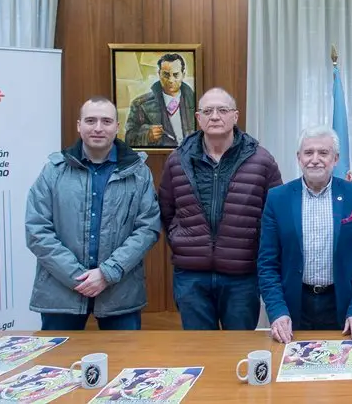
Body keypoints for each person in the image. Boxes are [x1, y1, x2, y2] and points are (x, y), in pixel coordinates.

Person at [25, 97, 161, 330]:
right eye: (91, 120)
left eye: (106, 121)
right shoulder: (53, 171)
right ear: (79, 125)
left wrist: (107, 273)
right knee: (58, 364)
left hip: (120, 291)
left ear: (117, 127)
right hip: (61, 291)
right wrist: (77, 277)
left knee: (124, 362)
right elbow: (37, 230)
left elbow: (147, 228)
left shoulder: (138, 172)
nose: (98, 128)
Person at [159, 87, 283, 330]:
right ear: (198, 118)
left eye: (222, 110)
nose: (215, 116)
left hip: (242, 276)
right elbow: (166, 210)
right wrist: (179, 239)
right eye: (208, 111)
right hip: (191, 276)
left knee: (239, 351)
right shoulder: (177, 160)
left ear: (235, 116)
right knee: (199, 352)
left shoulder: (261, 160)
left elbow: (275, 216)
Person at [258, 126, 352, 343]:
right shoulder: (277, 199)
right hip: (294, 306)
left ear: (336, 159)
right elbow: (267, 263)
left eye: (323, 153)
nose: (315, 159)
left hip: (342, 305)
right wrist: (277, 312)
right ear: (298, 158)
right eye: (308, 153)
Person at [124, 53, 197, 147]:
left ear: (183, 74)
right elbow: (128, 139)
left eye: (175, 75)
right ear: (159, 74)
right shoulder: (140, 104)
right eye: (166, 75)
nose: (171, 80)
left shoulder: (197, 102)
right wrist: (147, 136)